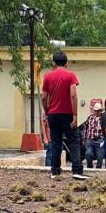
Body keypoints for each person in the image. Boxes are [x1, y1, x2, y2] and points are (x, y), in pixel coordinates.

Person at [40, 51, 86, 180]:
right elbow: (73, 94)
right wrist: (75, 115)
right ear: (66, 63)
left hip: (53, 114)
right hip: (67, 113)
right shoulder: (70, 75)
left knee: (56, 142)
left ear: (53, 63)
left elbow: (44, 97)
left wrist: (47, 111)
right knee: (73, 141)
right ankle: (77, 170)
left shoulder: (48, 76)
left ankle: (55, 171)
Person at [83, 102, 104, 169]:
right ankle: (90, 167)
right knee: (88, 154)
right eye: (96, 111)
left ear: (101, 111)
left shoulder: (103, 118)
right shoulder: (90, 118)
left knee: (100, 156)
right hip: (90, 140)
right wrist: (84, 140)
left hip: (100, 140)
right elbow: (85, 129)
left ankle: (98, 169)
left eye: (98, 111)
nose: (97, 112)